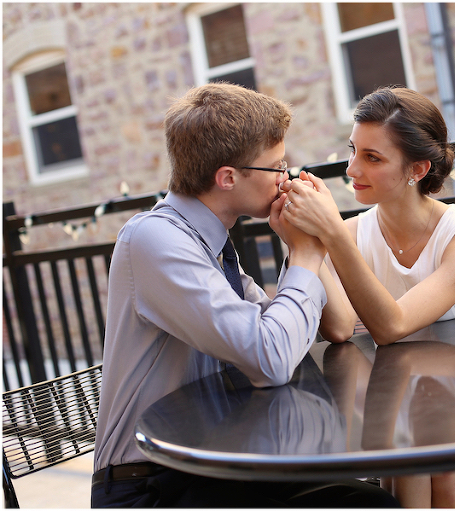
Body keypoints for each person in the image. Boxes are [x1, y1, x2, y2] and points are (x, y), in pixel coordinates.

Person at [91, 82, 398, 508]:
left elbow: (338, 327)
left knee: (368, 499)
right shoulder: (156, 240)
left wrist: (306, 243)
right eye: (277, 166)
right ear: (228, 178)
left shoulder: (210, 245)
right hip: (152, 484)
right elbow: (270, 360)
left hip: (218, 467)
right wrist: (306, 256)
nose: (286, 177)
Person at [280, 86, 455, 507]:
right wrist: (302, 242)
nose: (351, 169)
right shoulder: (351, 234)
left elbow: (391, 327)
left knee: (431, 442)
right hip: (395, 391)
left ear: (417, 169)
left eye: (373, 158)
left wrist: (331, 234)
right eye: (353, 151)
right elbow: (340, 328)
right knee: (405, 439)